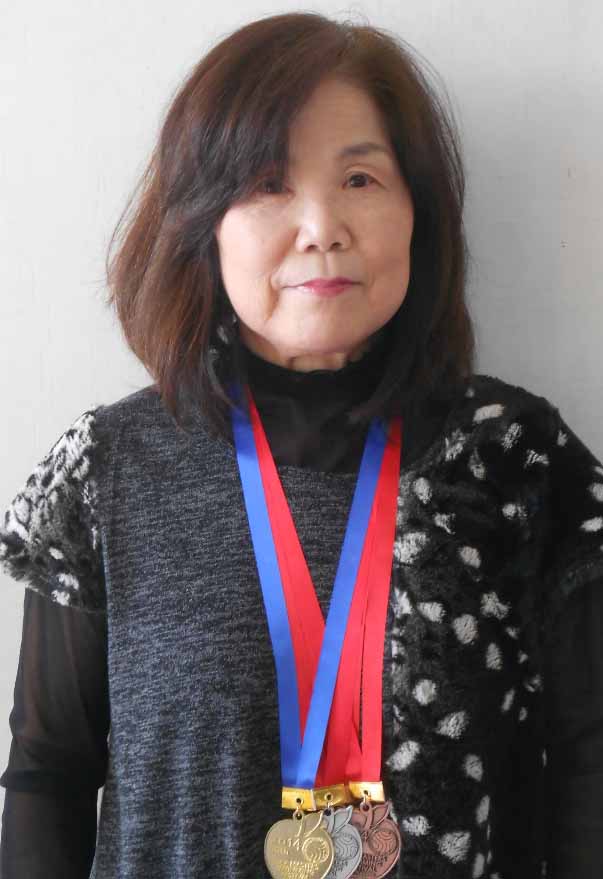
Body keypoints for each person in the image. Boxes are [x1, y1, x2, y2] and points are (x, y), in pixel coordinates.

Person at [0, 11, 602, 879]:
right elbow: (49, 774)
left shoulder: (518, 461)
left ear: (418, 212)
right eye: (267, 183)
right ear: (204, 222)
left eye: (360, 177)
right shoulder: (106, 471)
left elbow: (588, 758)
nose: (321, 226)